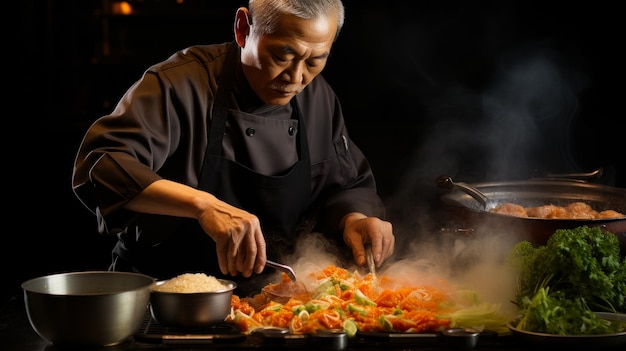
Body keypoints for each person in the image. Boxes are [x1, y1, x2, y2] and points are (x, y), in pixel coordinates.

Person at [72, 0, 394, 295]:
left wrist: (353, 218)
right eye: (283, 55)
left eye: (315, 60)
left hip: (274, 303)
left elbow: (345, 183)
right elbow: (103, 165)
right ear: (243, 28)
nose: (296, 78)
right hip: (164, 301)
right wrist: (202, 205)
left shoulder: (318, 98)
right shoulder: (178, 84)